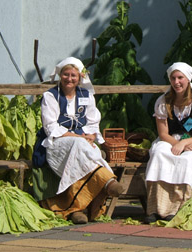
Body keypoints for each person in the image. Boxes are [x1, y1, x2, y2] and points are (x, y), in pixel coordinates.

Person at [33, 57, 124, 224]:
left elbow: (93, 121)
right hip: (57, 143)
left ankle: (76, 210)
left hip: (82, 143)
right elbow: (51, 127)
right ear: (60, 76)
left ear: (79, 77)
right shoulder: (50, 96)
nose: (69, 78)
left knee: (88, 152)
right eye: (66, 75)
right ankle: (108, 180)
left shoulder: (86, 95)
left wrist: (92, 135)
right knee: (83, 147)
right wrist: (79, 137)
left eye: (73, 75)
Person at [144, 62, 192, 224]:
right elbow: (163, 133)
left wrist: (186, 143)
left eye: (180, 78)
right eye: (173, 78)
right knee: (159, 154)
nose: (176, 82)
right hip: (171, 139)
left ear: (188, 79)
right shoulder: (164, 101)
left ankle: (180, 208)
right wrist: (178, 143)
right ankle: (155, 208)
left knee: (188, 159)